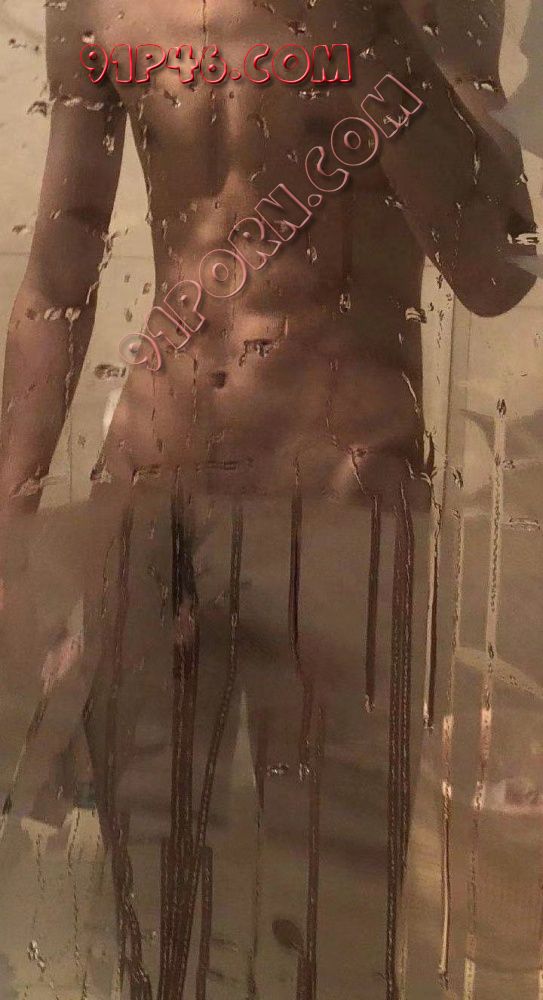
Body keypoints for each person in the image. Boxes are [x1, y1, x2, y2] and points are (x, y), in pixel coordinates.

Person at [0, 1, 535, 998]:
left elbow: (492, 267)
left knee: (339, 924)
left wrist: (372, 27)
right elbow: (59, 267)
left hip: (345, 502)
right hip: (152, 490)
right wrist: (10, 526)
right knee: (150, 912)